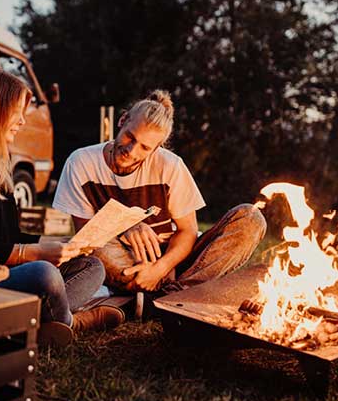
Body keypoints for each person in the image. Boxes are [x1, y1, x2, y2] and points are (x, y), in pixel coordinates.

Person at [0, 67, 124, 346]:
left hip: (4, 271)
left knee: (92, 266)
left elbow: (8, 235)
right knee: (44, 274)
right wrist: (32, 254)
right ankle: (71, 323)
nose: (22, 120)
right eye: (16, 111)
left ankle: (49, 318)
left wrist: (59, 244)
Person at [53, 89, 266, 296]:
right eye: (130, 137)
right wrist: (126, 224)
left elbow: (187, 231)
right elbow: (87, 235)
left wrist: (161, 268)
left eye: (145, 148)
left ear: (157, 148)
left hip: (175, 261)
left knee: (251, 217)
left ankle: (172, 293)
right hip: (124, 260)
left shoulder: (170, 165)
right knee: (91, 248)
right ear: (123, 120)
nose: (132, 151)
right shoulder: (80, 162)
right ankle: (179, 295)